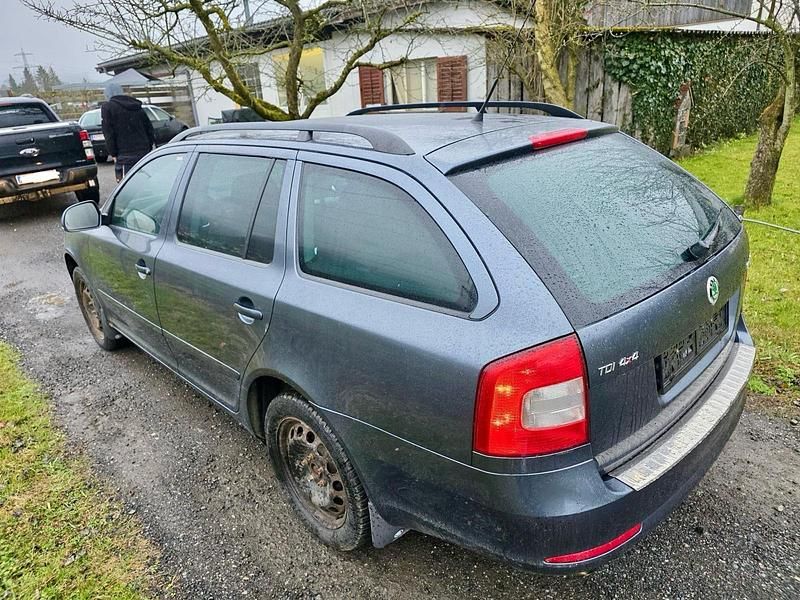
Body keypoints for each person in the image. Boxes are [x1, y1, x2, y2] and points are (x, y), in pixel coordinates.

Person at [100, 83, 155, 182]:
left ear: (107, 94)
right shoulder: (136, 106)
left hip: (124, 155)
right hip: (144, 152)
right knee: (148, 183)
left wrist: (113, 153)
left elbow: (109, 134)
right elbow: (149, 129)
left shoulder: (108, 108)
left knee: (128, 186)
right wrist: (148, 147)